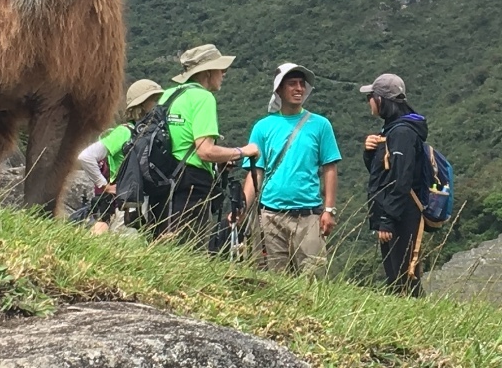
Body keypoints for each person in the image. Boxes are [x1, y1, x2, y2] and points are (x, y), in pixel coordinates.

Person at [243, 64, 341, 276]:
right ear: (279, 90)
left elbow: (330, 168)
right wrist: (242, 208)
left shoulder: (320, 125)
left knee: (313, 278)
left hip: (309, 216)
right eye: (292, 84)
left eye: (301, 84)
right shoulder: (263, 127)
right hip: (270, 216)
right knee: (274, 280)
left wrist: (329, 210)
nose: (299, 89)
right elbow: (255, 172)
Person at [159, 44, 258, 243]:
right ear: (208, 72)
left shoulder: (168, 95)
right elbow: (205, 151)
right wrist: (243, 151)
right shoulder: (204, 98)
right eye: (220, 69)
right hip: (192, 184)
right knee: (190, 251)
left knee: (163, 245)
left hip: (162, 180)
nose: (224, 73)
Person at [362, 71, 428, 294]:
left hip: (402, 213)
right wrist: (370, 153)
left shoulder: (401, 133)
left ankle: (416, 321)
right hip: (398, 210)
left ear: (380, 100)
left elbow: (401, 179)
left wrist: (387, 219)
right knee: (397, 276)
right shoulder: (394, 130)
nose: (369, 102)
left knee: (403, 276)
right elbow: (383, 173)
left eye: (370, 97)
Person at [75, 78, 162, 227]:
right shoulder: (124, 132)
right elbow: (86, 157)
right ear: (141, 106)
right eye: (154, 100)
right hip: (125, 205)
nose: (157, 105)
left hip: (142, 203)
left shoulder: (151, 135)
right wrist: (105, 186)